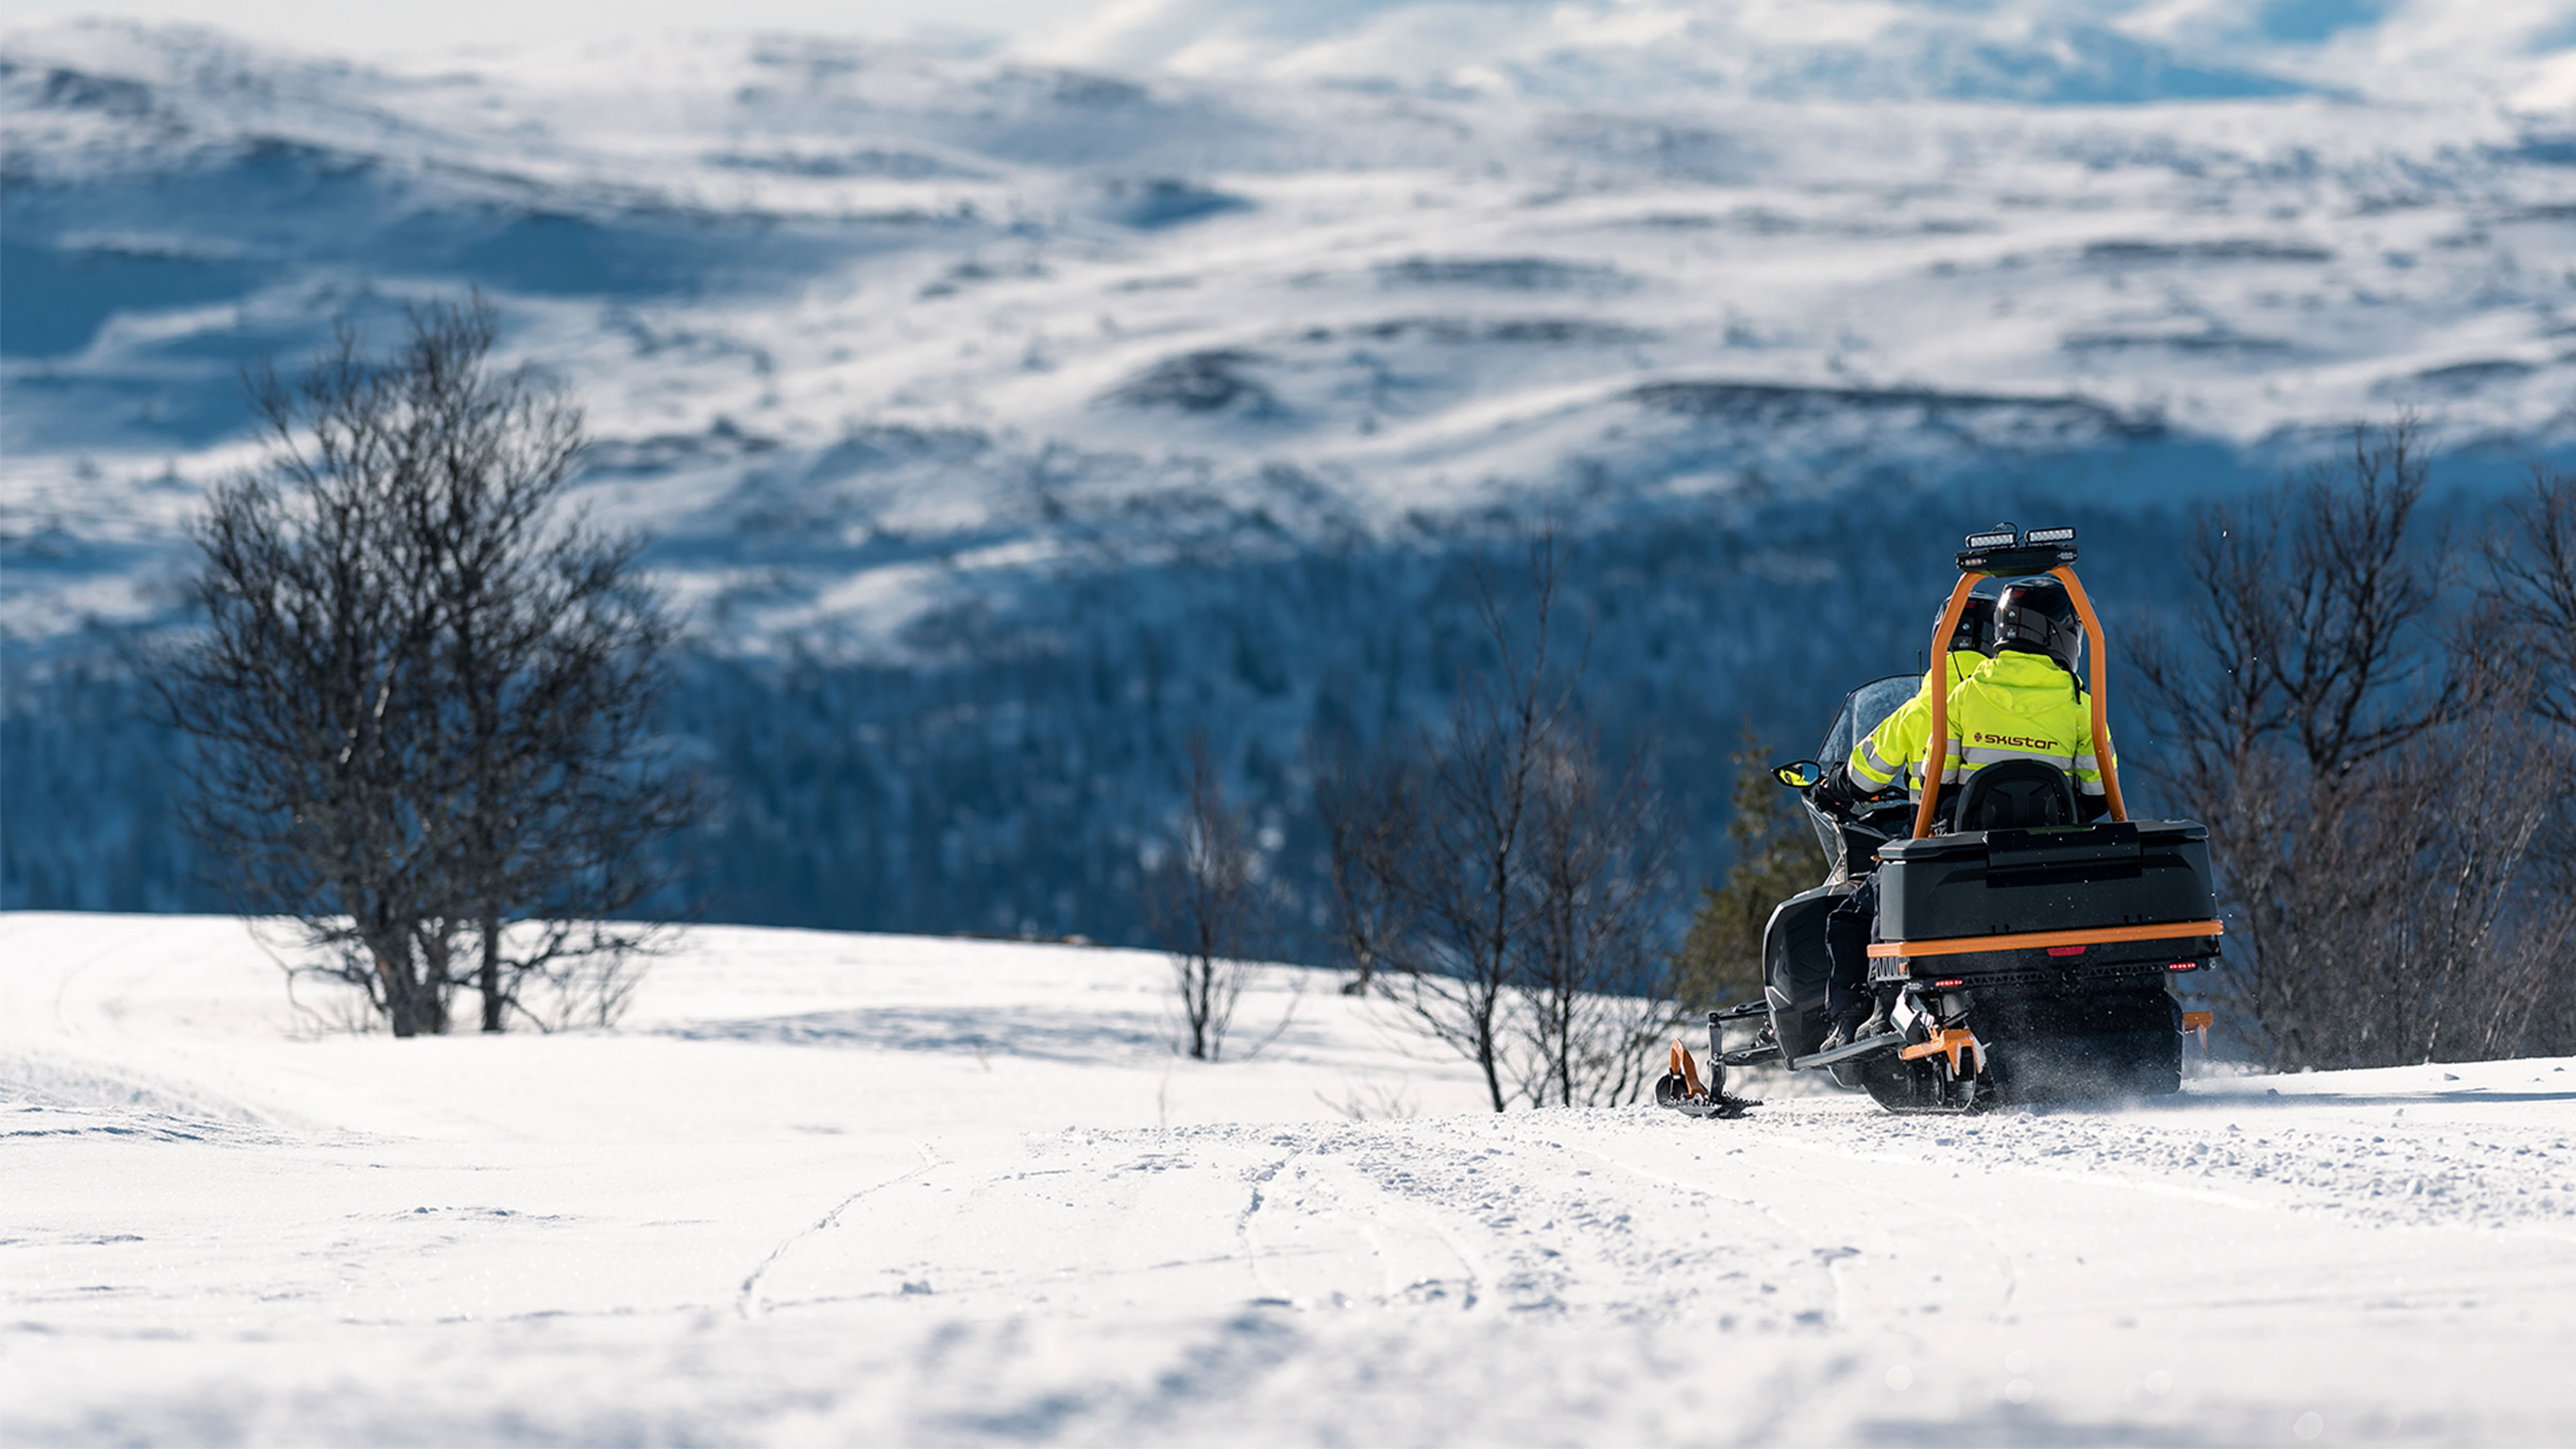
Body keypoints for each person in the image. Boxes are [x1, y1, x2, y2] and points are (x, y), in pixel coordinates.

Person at [1808, 591, 1996, 1052]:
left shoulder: (1924, 708)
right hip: (2027, 856)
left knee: (1852, 917)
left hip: (1944, 860)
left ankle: (1858, 1018)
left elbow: (1864, 771)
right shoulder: (2038, 701)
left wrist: (1833, 787)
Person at [1935, 576, 2112, 819]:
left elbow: (1935, 783)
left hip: (1975, 843)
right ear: (2059, 634)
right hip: (2055, 842)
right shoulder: (2082, 708)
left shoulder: (1964, 696)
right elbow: (2099, 796)